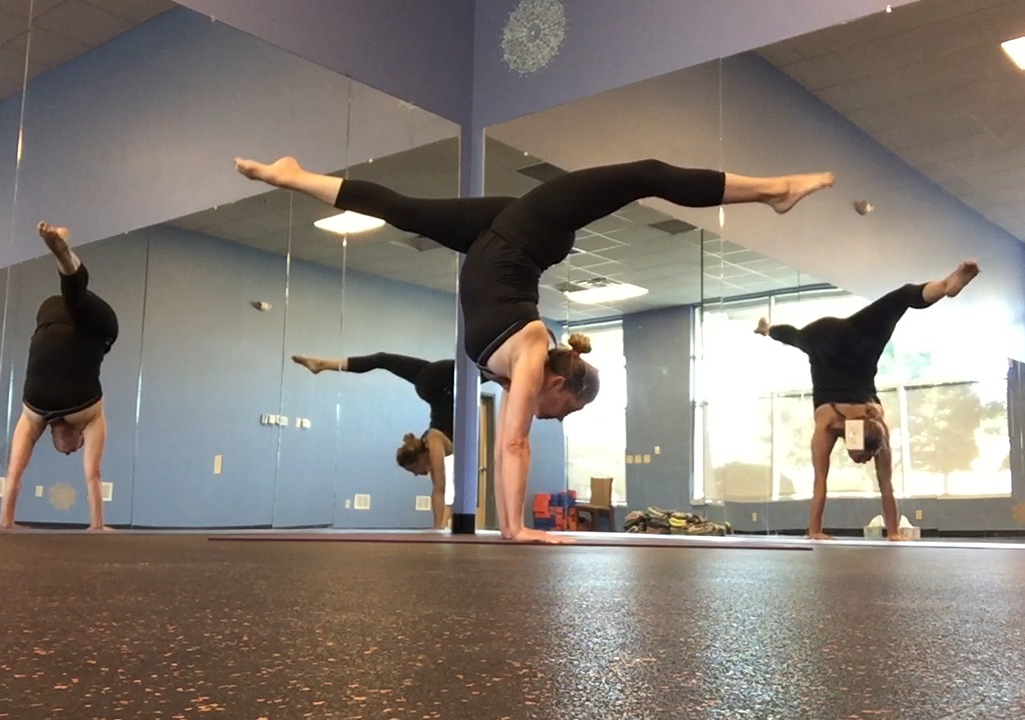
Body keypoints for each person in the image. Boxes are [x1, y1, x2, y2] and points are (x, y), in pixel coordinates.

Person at [236, 154, 834, 543]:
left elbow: (511, 437)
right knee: (646, 172)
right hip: (528, 232)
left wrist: (512, 526)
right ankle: (774, 188)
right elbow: (514, 442)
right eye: (567, 410)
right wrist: (516, 528)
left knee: (402, 210)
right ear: (558, 382)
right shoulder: (528, 350)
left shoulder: (516, 362)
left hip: (497, 234)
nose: (557, 419)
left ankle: (293, 175)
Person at [755, 261, 981, 541]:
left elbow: (830, 483)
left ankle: (945, 286)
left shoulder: (871, 424)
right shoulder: (837, 425)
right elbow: (866, 484)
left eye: (863, 457)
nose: (863, 462)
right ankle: (768, 330)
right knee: (798, 336)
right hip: (832, 339)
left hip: (844, 341)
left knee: (901, 297)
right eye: (865, 457)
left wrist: (892, 533)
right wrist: (815, 531)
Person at [0, 222, 118, 532]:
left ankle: (63, 255)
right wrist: (97, 526)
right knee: (77, 300)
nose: (75, 449)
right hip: (97, 329)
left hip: (50, 318)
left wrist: (6, 523)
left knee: (73, 299)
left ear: (52, 436)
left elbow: (14, 472)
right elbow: (93, 475)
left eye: (70, 450)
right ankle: (63, 256)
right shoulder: (88, 418)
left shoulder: (32, 418)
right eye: (78, 448)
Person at [292, 352, 457, 529]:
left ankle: (322, 363)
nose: (417, 474)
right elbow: (444, 489)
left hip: (441, 380)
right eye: (413, 471)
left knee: (382, 359)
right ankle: (322, 364)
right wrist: (440, 528)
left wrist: (438, 529)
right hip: (436, 381)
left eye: (413, 470)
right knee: (381, 359)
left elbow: (440, 488)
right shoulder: (434, 439)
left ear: (418, 457)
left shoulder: (433, 439)